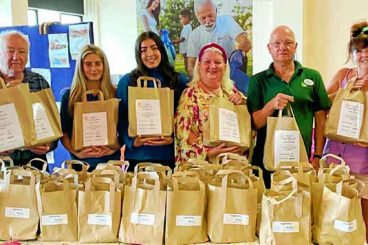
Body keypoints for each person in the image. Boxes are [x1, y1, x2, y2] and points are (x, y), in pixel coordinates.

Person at [247, 26, 331, 187]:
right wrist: (271, 105)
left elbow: (321, 120)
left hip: (301, 162)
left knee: (300, 208)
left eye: (288, 43)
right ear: (269, 48)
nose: (282, 48)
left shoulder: (312, 76)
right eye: (276, 43)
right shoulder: (257, 81)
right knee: (268, 209)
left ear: (295, 46)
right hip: (266, 162)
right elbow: (255, 123)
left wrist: (318, 156)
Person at [117, 31, 188, 170]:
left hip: (169, 156)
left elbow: (186, 118)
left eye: (154, 48)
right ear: (138, 54)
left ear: (161, 50)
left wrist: (174, 138)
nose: (150, 54)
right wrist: (131, 141)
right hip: (138, 157)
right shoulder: (127, 81)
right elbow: (120, 118)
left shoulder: (179, 80)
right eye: (143, 50)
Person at [323, 21, 368, 241]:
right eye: (359, 50)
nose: (364, 55)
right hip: (336, 159)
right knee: (335, 214)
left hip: (364, 163)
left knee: (363, 219)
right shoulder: (343, 75)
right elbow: (321, 104)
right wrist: (347, 90)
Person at [175, 42, 245, 164]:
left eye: (217, 62)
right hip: (202, 169)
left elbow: (249, 126)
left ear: (225, 66)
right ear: (199, 65)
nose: (212, 66)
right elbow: (183, 132)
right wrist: (208, 152)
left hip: (232, 167)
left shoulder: (233, 93)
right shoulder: (190, 95)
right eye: (207, 62)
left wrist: (243, 104)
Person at [0, 30, 57, 167]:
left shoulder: (39, 82)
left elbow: (54, 126)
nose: (16, 57)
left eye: (22, 52)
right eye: (10, 51)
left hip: (35, 166)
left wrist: (49, 144)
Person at [60, 44, 120, 170]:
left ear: (104, 66)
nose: (94, 69)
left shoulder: (115, 94)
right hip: (80, 164)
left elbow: (124, 128)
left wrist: (114, 148)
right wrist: (77, 153)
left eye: (98, 63)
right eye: (88, 64)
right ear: (81, 67)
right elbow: (63, 133)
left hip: (110, 162)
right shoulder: (70, 96)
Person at [186, 0, 250, 76]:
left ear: (216, 11)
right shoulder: (194, 35)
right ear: (197, 17)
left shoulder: (226, 21)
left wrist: (238, 56)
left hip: (230, 69)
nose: (208, 21)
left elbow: (245, 42)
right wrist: (198, 79)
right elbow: (191, 65)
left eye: (210, 16)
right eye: (203, 18)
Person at [172, 9, 193, 74]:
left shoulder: (187, 27)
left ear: (186, 18)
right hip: (185, 51)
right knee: (186, 66)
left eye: (181, 18)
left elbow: (182, 39)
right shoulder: (186, 27)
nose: (180, 20)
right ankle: (190, 78)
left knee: (187, 67)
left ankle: (191, 79)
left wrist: (172, 42)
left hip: (186, 51)